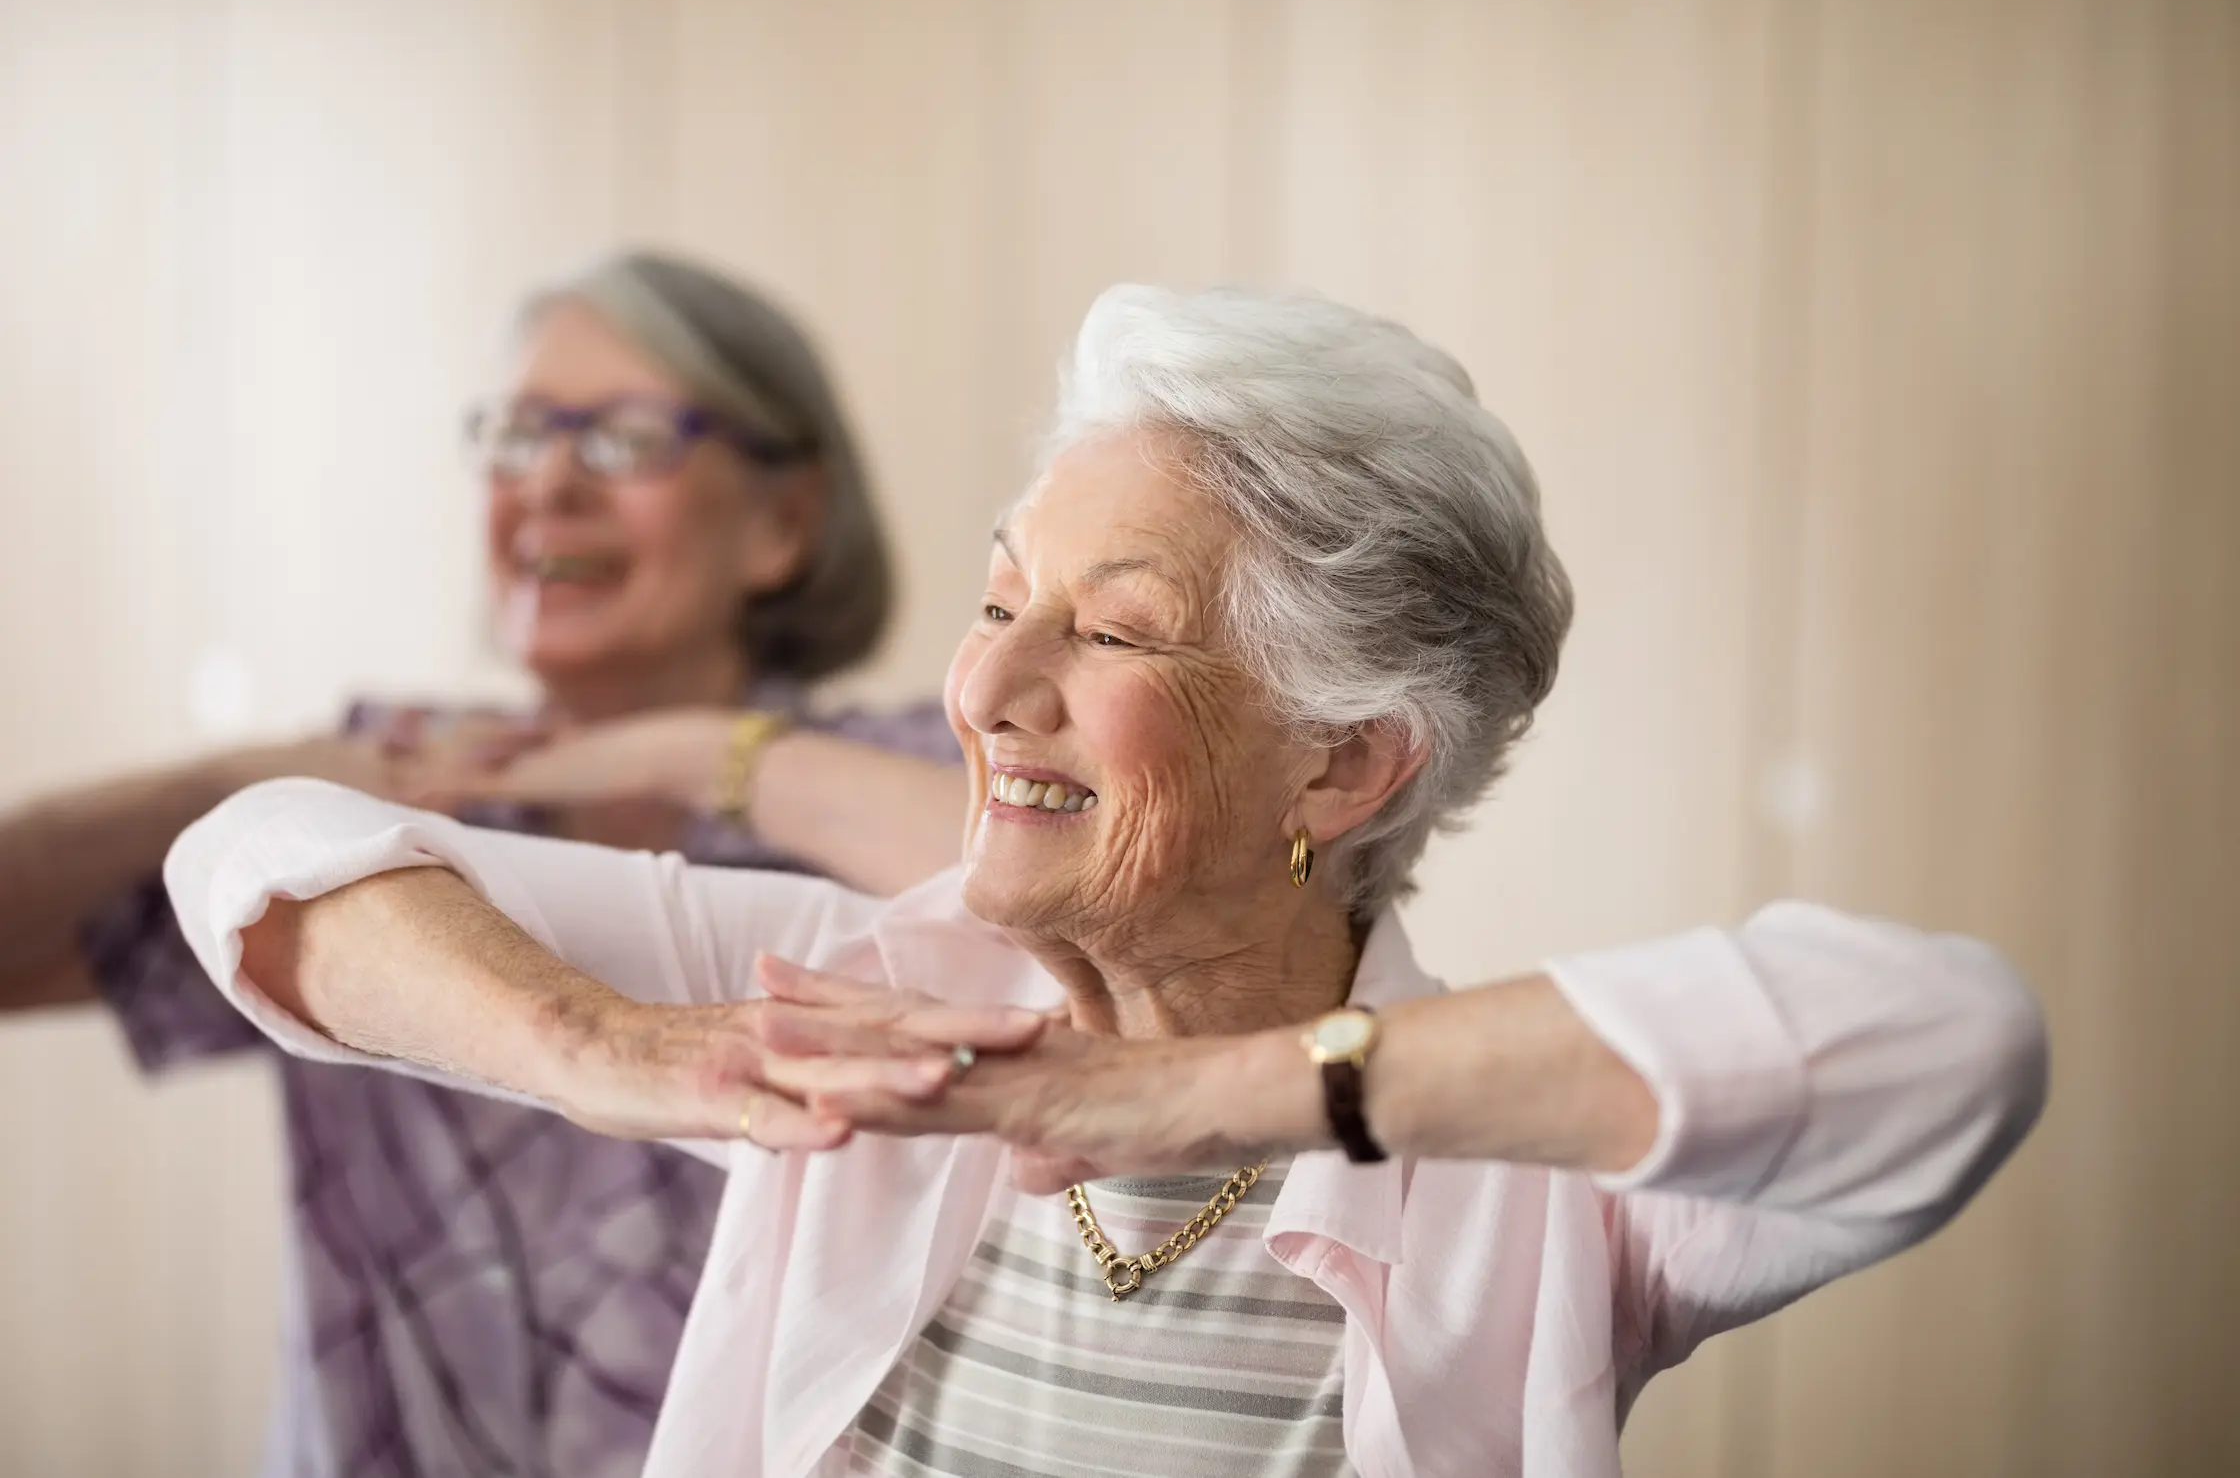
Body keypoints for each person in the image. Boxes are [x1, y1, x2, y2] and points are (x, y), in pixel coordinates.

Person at [166, 284, 2047, 1478]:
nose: (986, 688)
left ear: (1345, 755)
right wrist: (615, 1050)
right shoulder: (856, 1007)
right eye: (1001, 602)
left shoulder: (1524, 1175)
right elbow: (258, 862)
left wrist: (1195, 1088)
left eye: (1115, 631)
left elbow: (1954, 1046)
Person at [0, 250, 966, 1478]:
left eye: (624, 438)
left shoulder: (896, 766)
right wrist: (256, 777)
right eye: (516, 434)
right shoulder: (378, 813)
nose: (549, 480)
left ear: (782, 520)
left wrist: (693, 752)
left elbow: (1098, 892)